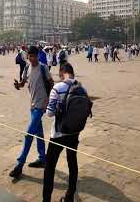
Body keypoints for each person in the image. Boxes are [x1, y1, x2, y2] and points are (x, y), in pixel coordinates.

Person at [42, 63, 86, 202]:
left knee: (49, 167)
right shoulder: (82, 88)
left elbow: (49, 113)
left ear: (62, 74)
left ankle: (46, 199)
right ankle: (69, 197)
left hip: (59, 134)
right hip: (74, 132)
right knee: (72, 163)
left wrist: (48, 106)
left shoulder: (58, 87)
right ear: (72, 73)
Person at [9, 46, 54, 178]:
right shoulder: (27, 68)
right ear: (27, 56)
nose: (32, 58)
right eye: (30, 56)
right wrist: (18, 85)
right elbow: (23, 83)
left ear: (37, 56)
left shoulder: (43, 67)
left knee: (29, 134)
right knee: (38, 133)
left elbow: (51, 83)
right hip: (32, 105)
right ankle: (42, 158)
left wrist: (48, 101)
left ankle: (20, 164)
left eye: (34, 56)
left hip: (41, 106)